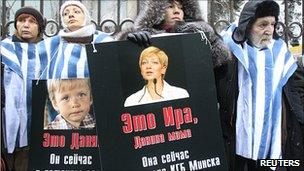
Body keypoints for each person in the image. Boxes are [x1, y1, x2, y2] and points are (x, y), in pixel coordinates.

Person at [220, 0, 298, 170]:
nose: (269, 30)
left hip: (273, 139)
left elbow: (297, 89)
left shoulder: (281, 53)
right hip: (236, 139)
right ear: (248, 26)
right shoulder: (229, 50)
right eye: (263, 24)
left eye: (272, 24)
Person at [119, 0, 229, 68]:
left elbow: (218, 62)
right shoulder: (142, 37)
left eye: (180, 7)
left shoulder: (201, 37)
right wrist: (129, 43)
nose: (177, 11)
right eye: (171, 6)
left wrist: (211, 41)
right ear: (157, 11)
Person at [0, 6, 46, 171]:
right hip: (5, 127)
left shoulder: (48, 51)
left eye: (31, 21)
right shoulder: (3, 49)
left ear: (39, 27)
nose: (26, 25)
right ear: (16, 25)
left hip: (36, 128)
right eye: (21, 20)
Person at [37, 0, 113, 79]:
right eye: (65, 14)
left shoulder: (104, 41)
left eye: (76, 12)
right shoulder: (51, 45)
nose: (70, 15)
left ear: (85, 16)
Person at [124, 46, 189, 107]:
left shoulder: (181, 94)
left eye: (154, 62)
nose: (148, 66)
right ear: (141, 69)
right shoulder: (131, 101)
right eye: (144, 63)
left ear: (163, 69)